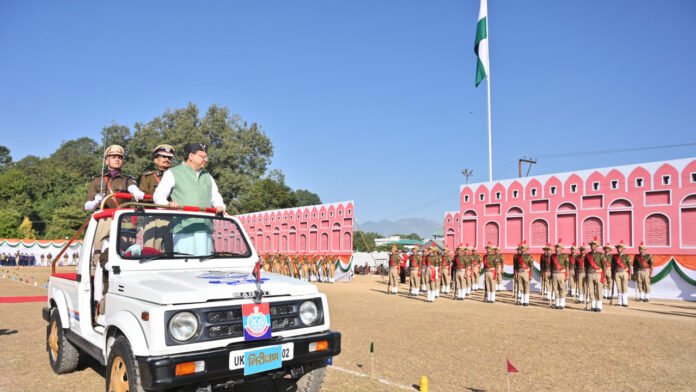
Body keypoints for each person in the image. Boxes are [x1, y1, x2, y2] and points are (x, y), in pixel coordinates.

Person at [153, 143, 225, 256]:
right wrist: (168, 204)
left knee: (204, 268)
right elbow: (158, 196)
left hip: (205, 229)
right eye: (202, 156)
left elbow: (215, 195)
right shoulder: (173, 172)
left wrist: (220, 206)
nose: (206, 160)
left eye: (206, 157)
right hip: (183, 230)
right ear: (191, 156)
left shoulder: (208, 176)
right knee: (185, 267)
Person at [585, 239, 606, 312]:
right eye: (591, 245)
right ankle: (593, 305)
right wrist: (586, 275)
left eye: (594, 245)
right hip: (589, 274)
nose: (592, 246)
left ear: (597, 246)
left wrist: (604, 276)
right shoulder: (587, 255)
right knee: (591, 290)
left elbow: (604, 266)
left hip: (598, 274)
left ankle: (599, 306)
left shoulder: (601, 255)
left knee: (598, 290)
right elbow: (585, 266)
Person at [550, 242, 570, 309]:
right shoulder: (552, 256)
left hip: (561, 274)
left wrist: (567, 275)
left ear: (561, 249)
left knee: (562, 288)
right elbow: (551, 266)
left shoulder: (565, 256)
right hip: (554, 274)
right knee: (555, 289)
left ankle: (562, 304)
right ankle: (557, 303)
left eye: (558, 248)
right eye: (556, 247)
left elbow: (567, 266)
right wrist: (551, 274)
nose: (557, 249)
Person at [612, 242, 632, 307]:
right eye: (618, 248)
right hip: (617, 273)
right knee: (619, 288)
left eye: (620, 248)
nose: (618, 249)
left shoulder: (627, 256)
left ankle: (625, 302)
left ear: (623, 249)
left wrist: (630, 275)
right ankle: (619, 302)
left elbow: (629, 266)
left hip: (624, 272)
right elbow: (613, 266)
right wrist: (612, 275)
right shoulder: (614, 257)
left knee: (624, 287)